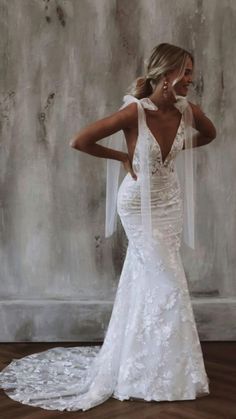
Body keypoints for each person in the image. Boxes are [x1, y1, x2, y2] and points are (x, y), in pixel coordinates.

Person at [0, 43, 216, 411]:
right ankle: (161, 373)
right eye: (186, 73)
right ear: (166, 76)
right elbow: (79, 140)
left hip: (168, 203)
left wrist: (176, 155)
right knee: (167, 283)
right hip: (137, 203)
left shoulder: (187, 111)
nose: (191, 80)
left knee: (151, 278)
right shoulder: (135, 111)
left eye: (192, 73)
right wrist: (122, 156)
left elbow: (210, 134)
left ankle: (145, 365)